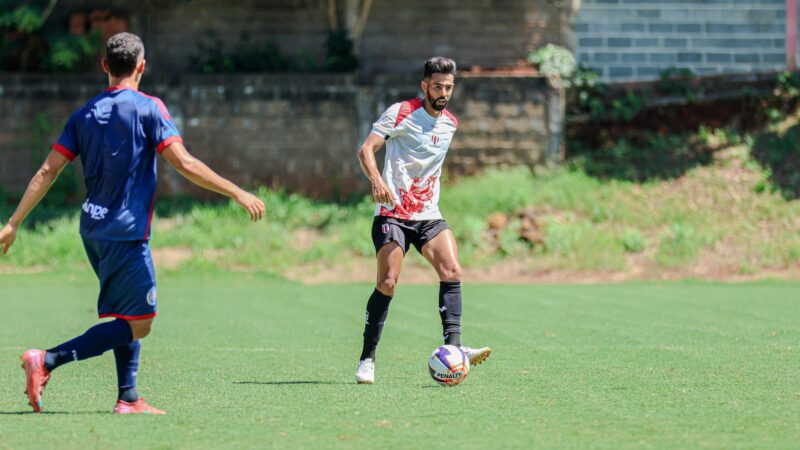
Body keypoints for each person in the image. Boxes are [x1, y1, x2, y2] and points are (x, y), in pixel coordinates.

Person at [0, 32, 265, 414]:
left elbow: (47, 170)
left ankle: (128, 397)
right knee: (140, 322)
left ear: (105, 66)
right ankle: (47, 360)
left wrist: (13, 223)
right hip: (125, 234)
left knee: (127, 313)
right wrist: (237, 192)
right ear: (141, 67)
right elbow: (185, 164)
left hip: (92, 231)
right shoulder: (148, 108)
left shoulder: (84, 114)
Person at [354, 57, 491, 384]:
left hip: (428, 214)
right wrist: (377, 181)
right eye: (438, 86)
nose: (443, 92)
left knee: (452, 270)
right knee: (387, 282)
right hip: (393, 213)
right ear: (424, 86)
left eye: (449, 87)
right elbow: (366, 150)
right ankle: (367, 358)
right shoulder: (401, 112)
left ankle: (455, 349)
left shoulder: (451, 124)